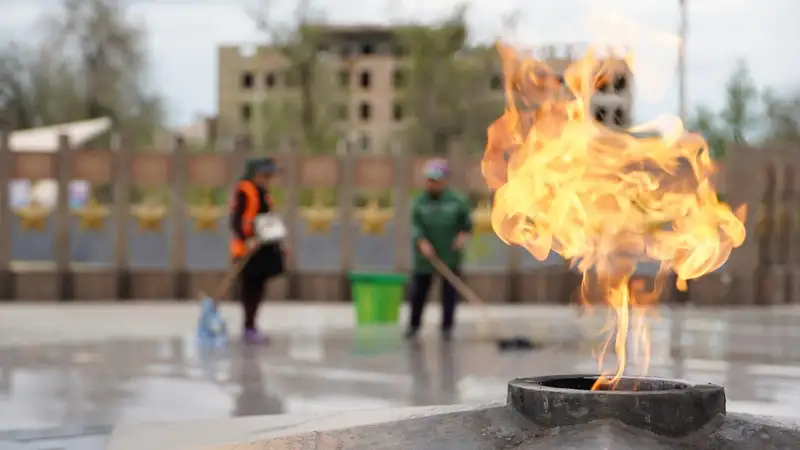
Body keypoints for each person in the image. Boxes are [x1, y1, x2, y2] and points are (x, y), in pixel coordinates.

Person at [405, 159, 472, 341]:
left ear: (445, 181)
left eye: (435, 180)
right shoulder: (419, 201)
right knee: (418, 293)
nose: (431, 183)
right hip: (425, 258)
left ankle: (447, 328)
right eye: (428, 179)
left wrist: (462, 238)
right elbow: (415, 226)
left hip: (450, 255)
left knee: (449, 294)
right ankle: (413, 326)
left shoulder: (457, 201)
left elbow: (466, 225)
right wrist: (422, 242)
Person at [229, 157, 287, 344]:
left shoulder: (264, 193)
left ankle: (252, 325)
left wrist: (280, 244)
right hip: (247, 248)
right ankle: (248, 327)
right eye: (265, 175)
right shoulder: (244, 190)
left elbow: (269, 221)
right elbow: (236, 220)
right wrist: (246, 239)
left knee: (258, 288)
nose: (267, 179)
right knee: (249, 288)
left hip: (262, 247)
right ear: (255, 173)